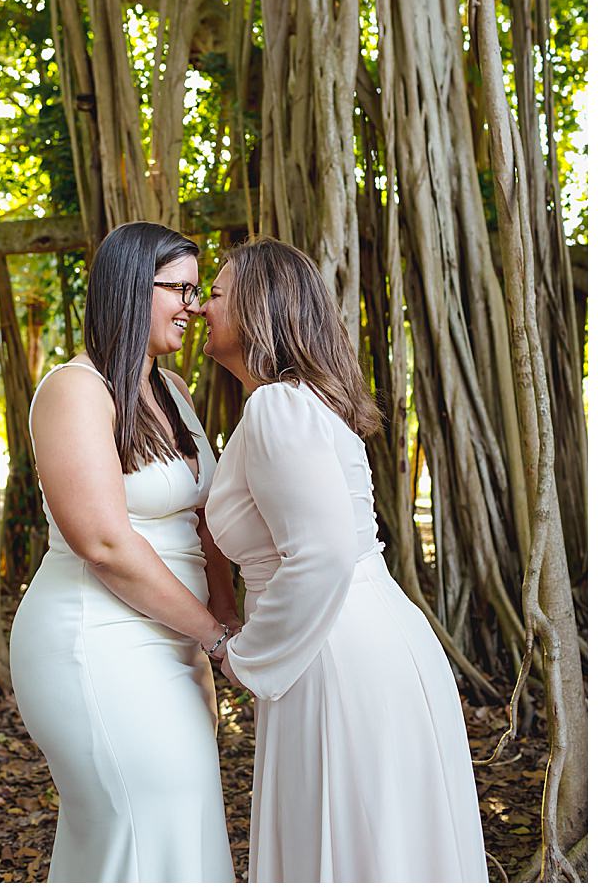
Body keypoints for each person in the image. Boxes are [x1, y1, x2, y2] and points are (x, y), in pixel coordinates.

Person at [202, 236, 489, 883]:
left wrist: (245, 657)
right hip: (360, 633)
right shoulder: (304, 403)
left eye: (215, 296)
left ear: (256, 308)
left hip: (331, 649)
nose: (200, 309)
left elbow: (321, 555)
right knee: (376, 840)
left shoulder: (278, 404)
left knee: (346, 839)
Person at [10, 222, 237, 883]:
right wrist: (214, 636)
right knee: (142, 823)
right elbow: (104, 543)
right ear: (135, 287)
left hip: (177, 639)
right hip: (96, 639)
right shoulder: (73, 391)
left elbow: (202, 518)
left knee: (182, 823)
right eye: (182, 290)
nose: (195, 307)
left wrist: (222, 621)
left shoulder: (174, 392)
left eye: (199, 291)